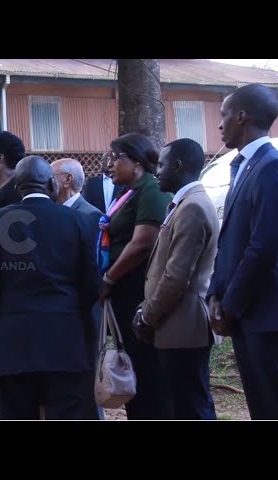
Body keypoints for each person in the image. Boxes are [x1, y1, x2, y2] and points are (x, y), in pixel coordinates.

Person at [0, 156, 100, 420]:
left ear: (18, 187)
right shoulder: (80, 222)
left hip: (13, 346)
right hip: (66, 343)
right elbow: (91, 286)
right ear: (51, 183)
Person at [208, 83, 278, 419]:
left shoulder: (270, 165)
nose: (220, 124)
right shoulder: (243, 165)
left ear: (242, 117)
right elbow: (229, 241)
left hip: (267, 313)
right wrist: (216, 294)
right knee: (261, 406)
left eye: (224, 115)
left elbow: (264, 247)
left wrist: (230, 305)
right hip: (245, 312)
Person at [132, 138, 219, 419]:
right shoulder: (183, 204)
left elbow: (176, 276)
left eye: (161, 164)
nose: (156, 170)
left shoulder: (192, 207)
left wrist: (148, 315)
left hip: (185, 326)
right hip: (177, 325)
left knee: (192, 406)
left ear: (178, 166)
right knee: (185, 403)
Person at [98, 133, 172, 420]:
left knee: (148, 374)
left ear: (138, 161)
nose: (109, 163)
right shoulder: (126, 192)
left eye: (116, 157)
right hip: (122, 294)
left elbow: (143, 242)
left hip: (138, 293)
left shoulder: (150, 190)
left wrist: (108, 279)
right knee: (135, 372)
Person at [50, 157, 103, 419]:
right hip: (61, 317)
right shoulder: (54, 213)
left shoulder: (90, 215)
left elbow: (93, 272)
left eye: (52, 176)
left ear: (67, 180)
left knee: (87, 386)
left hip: (85, 315)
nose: (47, 183)